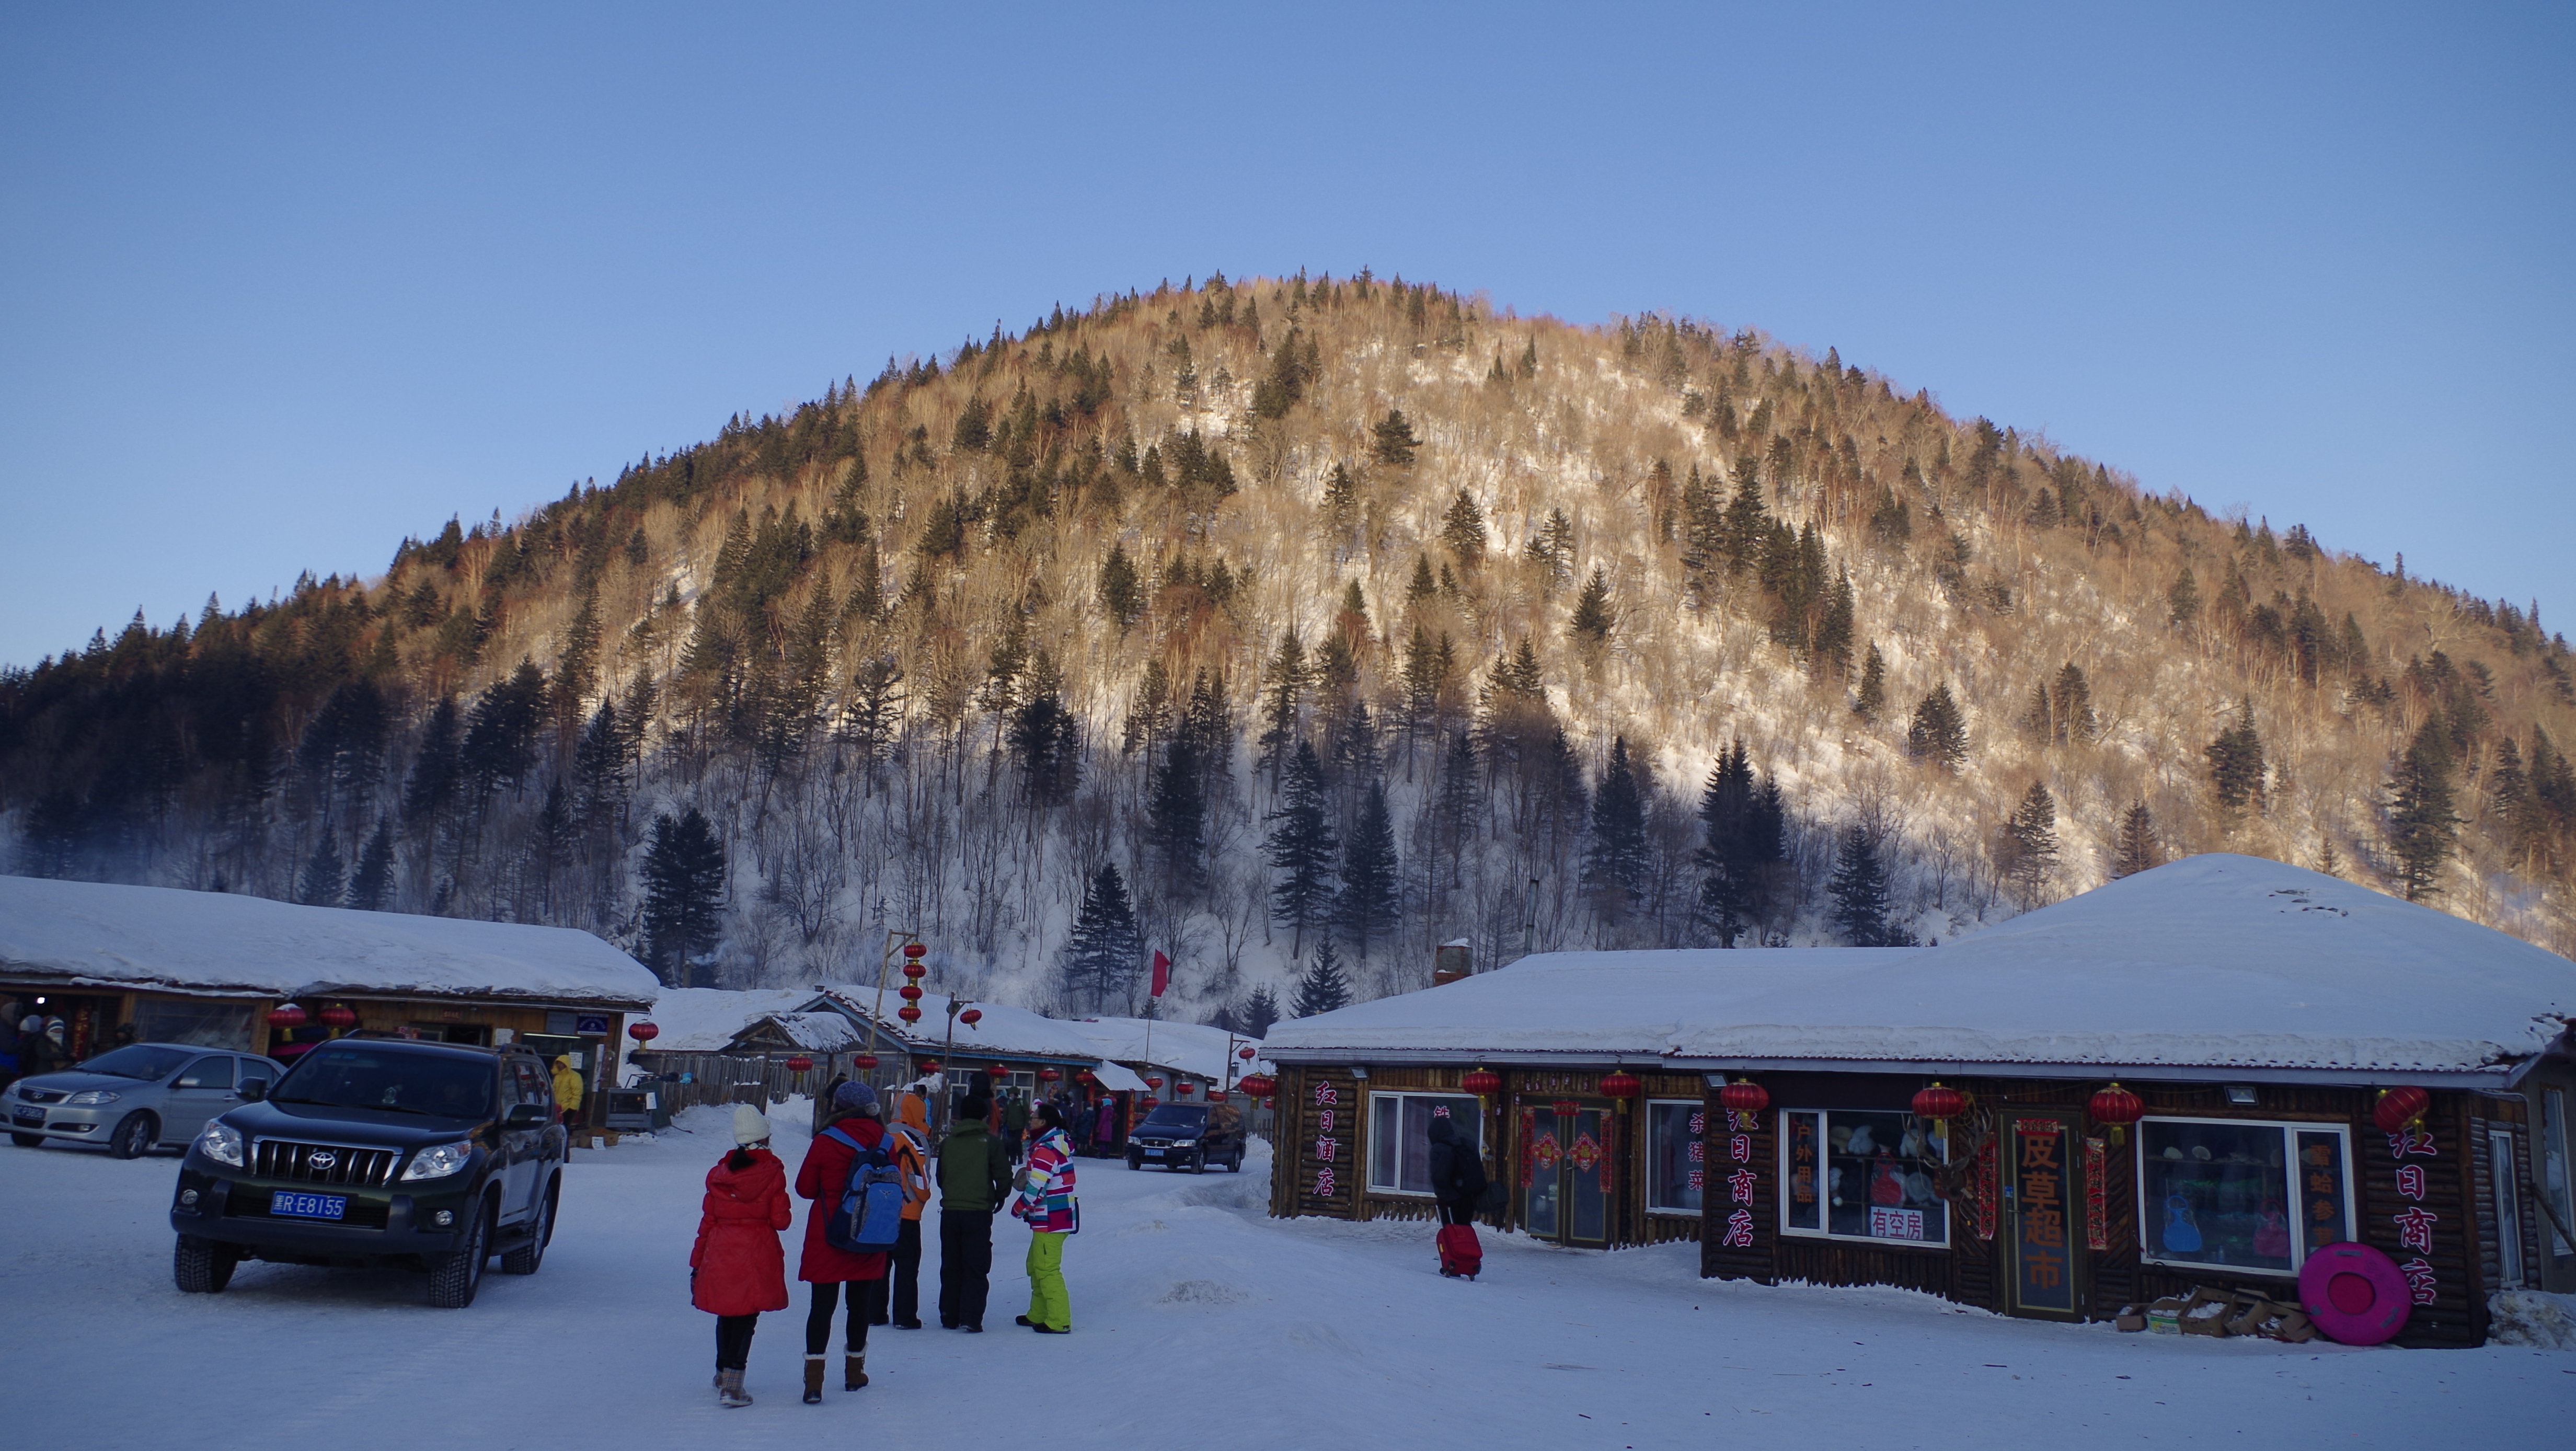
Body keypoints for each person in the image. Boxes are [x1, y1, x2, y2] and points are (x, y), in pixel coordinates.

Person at [795, 1081, 892, 1402]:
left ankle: (814, 1383)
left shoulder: (826, 1140)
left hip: (829, 1233)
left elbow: (805, 1189)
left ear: (838, 1105)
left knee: (821, 1308)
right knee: (859, 1306)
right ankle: (854, 1373)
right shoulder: (885, 1140)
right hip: (869, 1231)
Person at [692, 1105, 792, 1409]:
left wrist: (697, 1261)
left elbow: (707, 1221)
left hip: (720, 1249)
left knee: (727, 1313)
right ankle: (734, 1386)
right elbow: (781, 1221)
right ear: (765, 1138)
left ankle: (723, 1374)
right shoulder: (773, 1171)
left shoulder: (719, 1174)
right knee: (747, 1317)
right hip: (756, 1251)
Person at [935, 1091, 1011, 1332]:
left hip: (951, 1211)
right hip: (978, 1211)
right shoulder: (991, 1143)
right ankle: (971, 1317)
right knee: (976, 1266)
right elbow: (1004, 1176)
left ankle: (949, 1315)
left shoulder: (948, 1142)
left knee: (951, 1264)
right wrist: (999, 1196)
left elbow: (940, 1177)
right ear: (984, 1117)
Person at [1010, 1100, 1078, 1334]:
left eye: (1033, 1118)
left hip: (1053, 1218)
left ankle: (1059, 1320)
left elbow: (1037, 1188)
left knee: (1047, 1269)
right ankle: (1039, 1313)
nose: (1030, 1122)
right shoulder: (1050, 1145)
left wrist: (1019, 1208)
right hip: (1051, 1217)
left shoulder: (1046, 1149)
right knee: (1036, 1265)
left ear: (1043, 1122)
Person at [872, 1080, 933, 1329]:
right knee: (907, 1266)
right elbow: (919, 1177)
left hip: (879, 1212)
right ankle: (905, 1316)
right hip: (907, 1212)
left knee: (880, 1265)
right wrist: (923, 1196)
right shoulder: (913, 1139)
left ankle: (874, 1313)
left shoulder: (880, 1137)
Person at [1425, 1113, 1489, 1279]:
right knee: (1465, 1230)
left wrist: (1442, 1196)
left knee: (1451, 1232)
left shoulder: (1439, 1148)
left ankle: (1453, 1264)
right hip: (1469, 1195)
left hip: (1450, 1199)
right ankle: (1470, 1264)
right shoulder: (1467, 1144)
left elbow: (1439, 1177)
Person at [550, 1055, 584, 1130]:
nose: (559, 1065)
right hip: (557, 1107)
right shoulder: (557, 1076)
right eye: (558, 1063)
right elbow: (554, 1090)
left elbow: (577, 1092)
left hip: (568, 1108)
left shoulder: (575, 1076)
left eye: (561, 1063)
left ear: (566, 1064)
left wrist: (572, 1107)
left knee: (565, 1128)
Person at [1001, 1090, 1029, 1165]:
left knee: (1017, 1142)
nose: (1011, 1096)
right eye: (1009, 1094)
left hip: (1019, 1127)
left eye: (1012, 1094)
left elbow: (1027, 1113)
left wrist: (1027, 1123)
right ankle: (1013, 1159)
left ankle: (1020, 1157)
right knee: (1010, 1143)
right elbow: (1005, 1114)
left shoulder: (1022, 1102)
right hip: (1010, 1127)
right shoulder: (1008, 1103)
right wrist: (1003, 1123)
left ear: (1016, 1094)